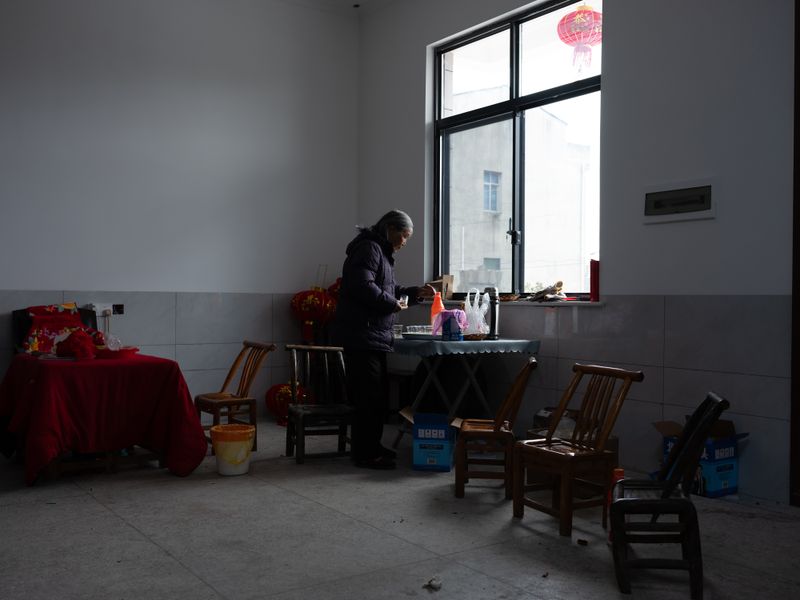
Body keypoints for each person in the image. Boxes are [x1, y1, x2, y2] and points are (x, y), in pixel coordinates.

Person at [332, 210, 434, 469]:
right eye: (404, 235)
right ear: (390, 228)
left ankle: (371, 446)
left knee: (376, 397)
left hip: (373, 336)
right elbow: (362, 286)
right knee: (368, 398)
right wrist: (392, 304)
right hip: (362, 335)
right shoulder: (369, 248)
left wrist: (414, 293)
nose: (404, 242)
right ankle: (366, 454)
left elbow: (390, 289)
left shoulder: (381, 252)